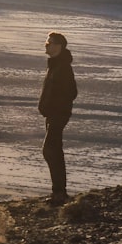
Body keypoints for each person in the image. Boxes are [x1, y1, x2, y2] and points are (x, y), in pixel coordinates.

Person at [38, 31, 77, 205]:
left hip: (57, 115)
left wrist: (56, 108)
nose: (47, 44)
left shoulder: (63, 68)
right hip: (53, 114)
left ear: (59, 46)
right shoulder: (55, 65)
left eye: (50, 42)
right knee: (53, 151)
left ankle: (59, 193)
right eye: (47, 41)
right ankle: (59, 193)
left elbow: (71, 92)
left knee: (51, 150)